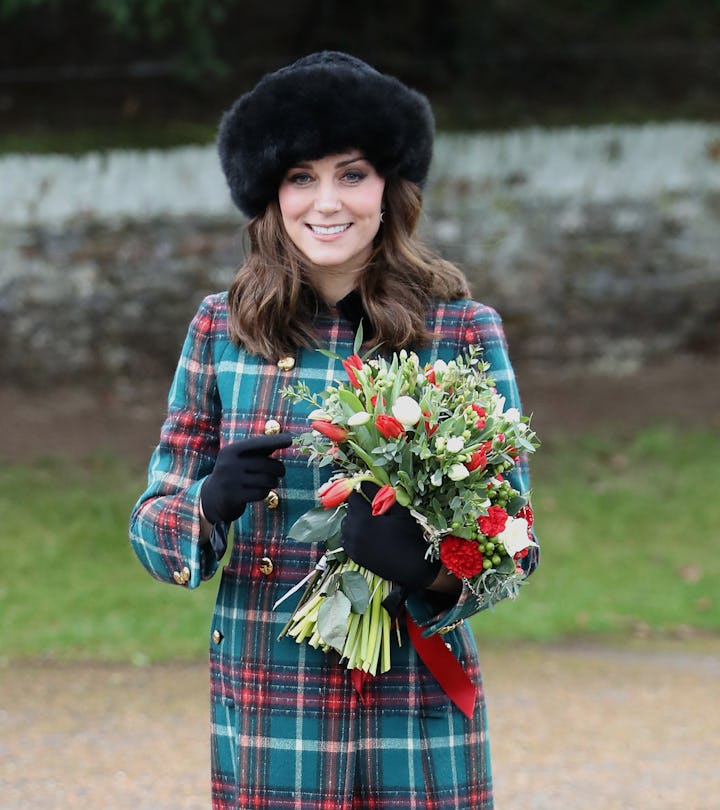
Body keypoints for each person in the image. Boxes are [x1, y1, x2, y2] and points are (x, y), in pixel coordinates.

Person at [129, 50, 538, 810]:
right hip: (269, 705)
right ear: (270, 194)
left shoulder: (462, 331)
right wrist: (208, 503)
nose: (328, 202)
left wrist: (428, 566)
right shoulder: (220, 330)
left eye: (352, 174)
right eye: (301, 177)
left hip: (414, 709)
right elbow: (152, 532)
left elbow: (513, 542)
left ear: (391, 188)